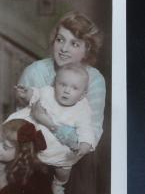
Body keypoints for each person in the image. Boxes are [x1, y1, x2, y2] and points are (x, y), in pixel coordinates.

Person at [16, 10, 106, 150]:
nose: (64, 49)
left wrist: (49, 124)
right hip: (33, 156)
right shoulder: (34, 72)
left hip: (75, 158)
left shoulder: (95, 80)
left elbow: (90, 136)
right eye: (60, 40)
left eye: (74, 44)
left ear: (87, 49)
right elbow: (20, 127)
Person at [8, 63, 94, 194]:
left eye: (74, 88)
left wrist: (85, 144)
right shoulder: (48, 92)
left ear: (82, 95)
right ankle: (22, 180)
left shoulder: (82, 109)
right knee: (26, 158)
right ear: (55, 84)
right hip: (38, 138)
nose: (66, 90)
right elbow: (35, 94)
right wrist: (26, 93)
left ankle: (59, 184)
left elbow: (86, 129)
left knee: (63, 171)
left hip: (60, 149)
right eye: (62, 84)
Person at [0, 118, 47, 194]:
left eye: (5, 147)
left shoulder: (24, 177)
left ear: (21, 151)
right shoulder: (13, 161)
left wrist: (1, 179)